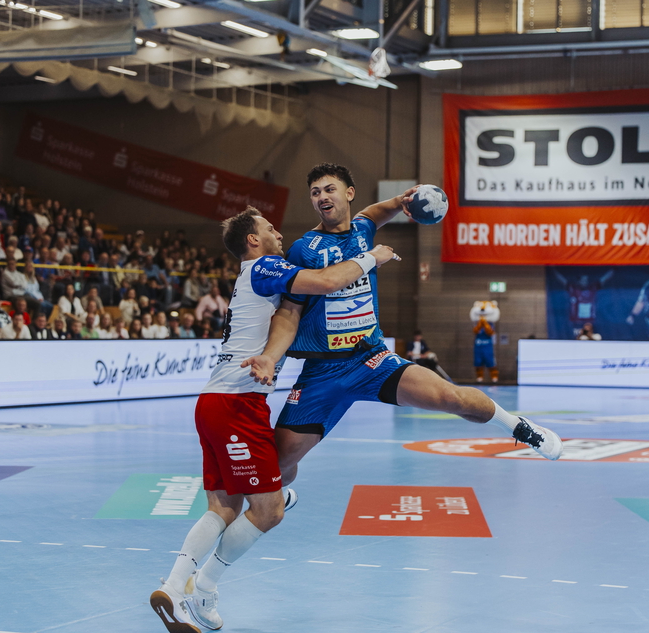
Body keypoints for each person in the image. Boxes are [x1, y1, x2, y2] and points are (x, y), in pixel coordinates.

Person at [150, 206, 399, 632]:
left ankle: (187, 591)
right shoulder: (264, 267)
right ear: (253, 240)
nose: (278, 233)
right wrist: (372, 257)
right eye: (268, 228)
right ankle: (188, 588)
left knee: (224, 507)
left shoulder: (255, 277)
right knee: (269, 511)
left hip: (214, 402)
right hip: (237, 405)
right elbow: (327, 281)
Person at [244, 163, 562, 497]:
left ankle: (520, 427)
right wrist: (270, 357)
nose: (322, 196)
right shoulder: (302, 249)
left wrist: (400, 201)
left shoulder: (362, 231)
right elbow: (290, 312)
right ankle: (283, 497)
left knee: (452, 397)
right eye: (315, 192)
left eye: (329, 189)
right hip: (323, 372)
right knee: (279, 464)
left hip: (372, 360)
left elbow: (372, 214)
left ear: (349, 193)